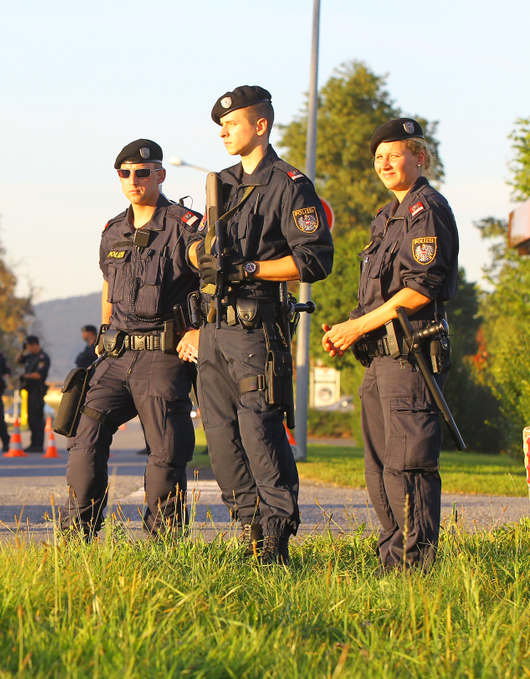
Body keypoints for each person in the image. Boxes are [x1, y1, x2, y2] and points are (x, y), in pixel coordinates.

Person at [189, 87, 334, 564]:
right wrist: (199, 254)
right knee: (221, 433)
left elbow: (314, 260)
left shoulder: (290, 184)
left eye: (232, 124)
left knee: (259, 430)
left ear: (261, 126)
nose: (224, 131)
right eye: (221, 126)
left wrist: (249, 269)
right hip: (213, 326)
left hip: (257, 327)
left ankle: (276, 537)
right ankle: (249, 527)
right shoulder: (221, 184)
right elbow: (198, 248)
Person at [321, 118, 457, 572]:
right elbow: (379, 295)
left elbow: (420, 290)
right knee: (379, 471)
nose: (385, 163)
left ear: (419, 157)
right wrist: (349, 328)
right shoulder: (387, 218)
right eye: (378, 157)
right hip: (380, 362)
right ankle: (391, 564)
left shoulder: (428, 211)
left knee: (408, 466)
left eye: (394, 154)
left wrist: (357, 328)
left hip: (411, 359)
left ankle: (415, 570)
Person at [60, 139, 203, 539]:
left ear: (160, 175)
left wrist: (198, 330)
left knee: (166, 452)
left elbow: (212, 280)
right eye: (125, 173)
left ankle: (164, 545)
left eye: (143, 173)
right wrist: (102, 338)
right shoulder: (112, 231)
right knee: (83, 434)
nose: (134, 180)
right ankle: (76, 539)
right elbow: (108, 288)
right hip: (116, 356)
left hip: (163, 356)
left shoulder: (185, 226)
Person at [15, 336, 50, 453]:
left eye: (29, 347)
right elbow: (17, 360)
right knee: (31, 418)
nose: (28, 349)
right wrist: (22, 349)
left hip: (38, 391)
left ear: (35, 345)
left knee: (37, 418)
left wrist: (25, 376)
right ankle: (33, 443)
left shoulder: (43, 358)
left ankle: (38, 444)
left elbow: (39, 375)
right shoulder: (30, 357)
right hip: (30, 391)